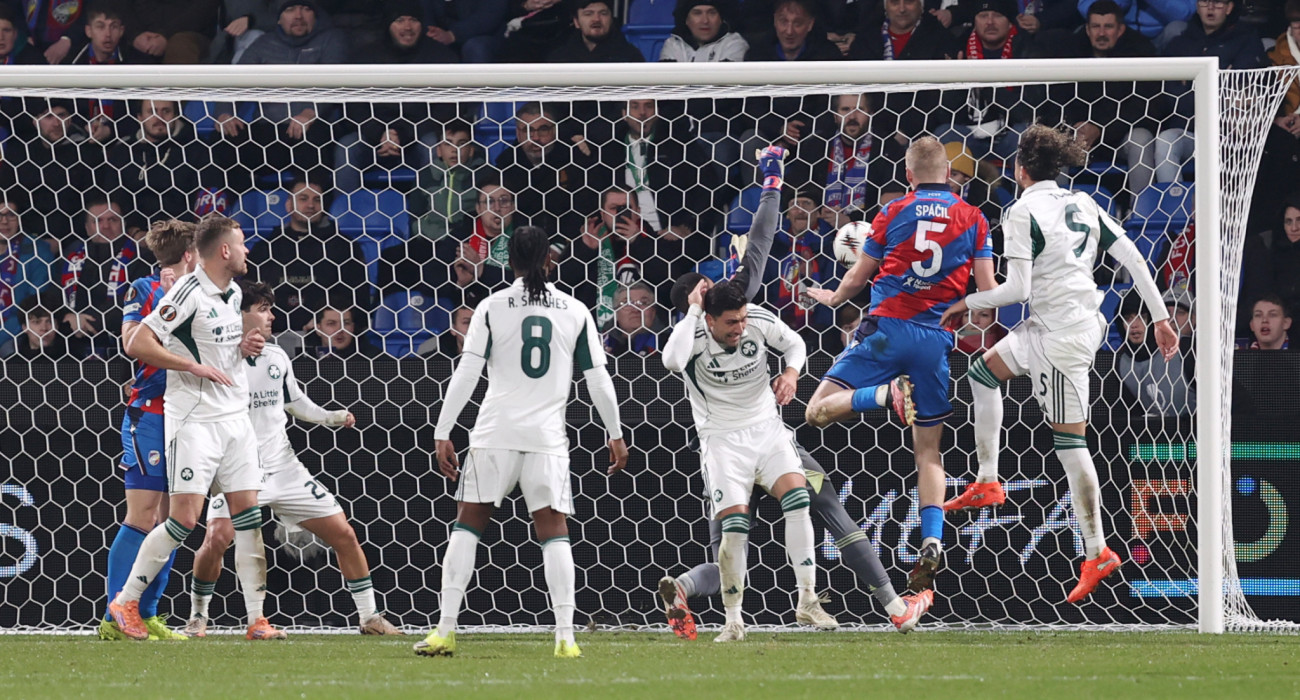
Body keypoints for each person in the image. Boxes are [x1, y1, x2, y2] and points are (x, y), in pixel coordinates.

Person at [938, 125, 1178, 603]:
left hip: (1061, 338)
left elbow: (1017, 290)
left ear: (1020, 170)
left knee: (1070, 444)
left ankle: (1097, 551)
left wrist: (968, 301)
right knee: (983, 373)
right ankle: (987, 480)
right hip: (1056, 324)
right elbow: (1133, 257)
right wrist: (1161, 317)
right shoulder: (1084, 202)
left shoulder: (1021, 210)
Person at [414, 226, 628, 659]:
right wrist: (616, 433)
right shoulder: (574, 310)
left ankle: (445, 630)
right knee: (555, 532)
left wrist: (442, 430)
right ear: (550, 260)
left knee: (467, 525)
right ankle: (566, 638)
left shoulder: (491, 307)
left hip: (495, 432)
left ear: (508, 261)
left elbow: (468, 372)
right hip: (546, 437)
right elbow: (597, 379)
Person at [803, 136, 997, 598]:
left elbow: (859, 275)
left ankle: (881, 395)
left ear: (908, 175)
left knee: (816, 411)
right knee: (928, 452)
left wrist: (834, 297)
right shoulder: (974, 217)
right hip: (934, 341)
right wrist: (963, 309)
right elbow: (989, 296)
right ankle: (932, 541)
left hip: (886, 330)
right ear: (948, 175)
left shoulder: (892, 211)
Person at [186, 281, 402, 637]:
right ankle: (198, 617)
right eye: (263, 309)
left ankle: (370, 617)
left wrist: (330, 417)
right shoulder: (216, 360)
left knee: (344, 534)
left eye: (271, 308)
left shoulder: (277, 357)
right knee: (216, 538)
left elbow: (294, 402)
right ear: (239, 314)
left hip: (283, 467)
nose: (271, 316)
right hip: (237, 471)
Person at [106, 215, 277, 641]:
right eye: (241, 242)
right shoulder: (175, 291)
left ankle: (255, 619)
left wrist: (242, 346)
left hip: (234, 418)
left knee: (248, 517)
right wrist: (190, 366)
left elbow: (215, 345)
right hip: (184, 418)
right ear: (218, 251)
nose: (247, 250)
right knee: (173, 519)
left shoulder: (232, 292)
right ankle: (124, 604)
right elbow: (135, 342)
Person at [97, 220, 196, 641]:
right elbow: (131, 341)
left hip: (188, 417)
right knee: (141, 516)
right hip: (150, 414)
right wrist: (169, 302)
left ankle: (148, 613)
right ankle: (114, 614)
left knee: (172, 521)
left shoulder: (203, 295)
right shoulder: (144, 288)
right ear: (190, 253)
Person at [247, 178, 370, 334]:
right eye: (303, 199)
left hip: (327, 336)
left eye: (317, 200)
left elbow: (357, 299)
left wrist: (324, 322)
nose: (311, 205)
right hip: (273, 335)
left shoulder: (344, 247)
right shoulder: (266, 248)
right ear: (289, 205)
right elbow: (251, 296)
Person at [408, 120, 484, 241]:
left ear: (471, 150)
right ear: (439, 150)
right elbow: (415, 220)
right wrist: (442, 236)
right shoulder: (425, 175)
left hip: (468, 241)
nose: (454, 149)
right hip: (429, 240)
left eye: (461, 144)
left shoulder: (484, 175)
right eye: (448, 144)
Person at [0, 194, 57, 347]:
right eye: (0, 215)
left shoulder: (37, 252)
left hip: (16, 334)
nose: (4, 221)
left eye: (11, 215)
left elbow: (33, 308)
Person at [546, 0, 645, 62]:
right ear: (576, 22)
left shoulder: (630, 56)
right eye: (588, 14)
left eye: (603, 13)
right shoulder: (559, 58)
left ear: (611, 19)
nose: (596, 19)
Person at [602, 282, 664, 356]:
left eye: (643, 303)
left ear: (653, 311)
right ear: (616, 312)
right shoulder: (600, 344)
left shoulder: (670, 344)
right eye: (627, 303)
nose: (636, 309)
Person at [301, 305, 383, 357]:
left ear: (352, 327)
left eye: (346, 323)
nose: (340, 329)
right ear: (318, 329)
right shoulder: (306, 361)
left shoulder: (374, 359)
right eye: (331, 323)